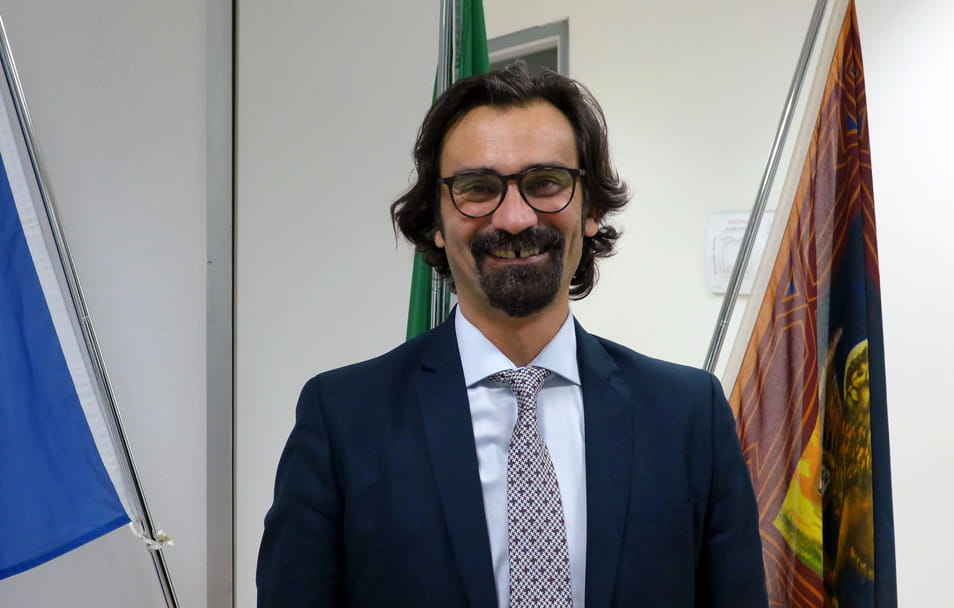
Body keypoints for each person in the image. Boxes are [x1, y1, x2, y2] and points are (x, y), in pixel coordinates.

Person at [257, 64, 767, 607]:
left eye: (545, 183)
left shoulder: (688, 415)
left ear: (591, 209)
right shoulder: (343, 420)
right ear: (435, 220)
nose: (517, 218)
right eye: (478, 189)